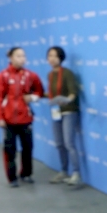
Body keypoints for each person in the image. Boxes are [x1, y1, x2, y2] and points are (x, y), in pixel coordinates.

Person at [0, 47, 44, 187]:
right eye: (18, 56)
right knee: (10, 149)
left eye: (23, 56)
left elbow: (40, 91)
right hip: (8, 120)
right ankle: (12, 177)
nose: (22, 59)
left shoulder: (31, 76)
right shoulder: (2, 76)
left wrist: (32, 97)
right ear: (11, 58)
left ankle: (26, 174)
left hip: (25, 119)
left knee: (28, 147)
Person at [45, 46, 81, 186]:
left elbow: (73, 92)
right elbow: (52, 94)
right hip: (56, 111)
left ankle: (76, 173)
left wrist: (68, 99)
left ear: (61, 58)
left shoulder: (67, 73)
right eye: (49, 56)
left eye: (55, 56)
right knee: (59, 144)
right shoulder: (50, 75)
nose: (52, 59)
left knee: (69, 143)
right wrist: (37, 96)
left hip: (69, 111)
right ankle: (64, 171)